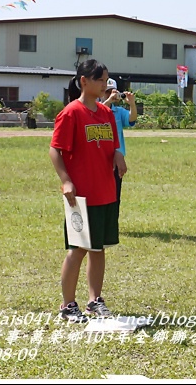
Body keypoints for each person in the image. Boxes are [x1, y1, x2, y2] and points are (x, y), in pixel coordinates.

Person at [49, 59, 127, 323]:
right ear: (84, 81)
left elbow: (113, 144)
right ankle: (68, 305)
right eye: (101, 80)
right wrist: (66, 181)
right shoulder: (71, 113)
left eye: (106, 80)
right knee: (78, 248)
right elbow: (55, 150)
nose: (105, 84)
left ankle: (95, 301)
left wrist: (118, 155)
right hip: (80, 195)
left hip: (105, 191)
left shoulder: (106, 114)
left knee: (98, 248)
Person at [101, 78, 137, 209]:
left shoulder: (119, 111)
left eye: (113, 91)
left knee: (115, 194)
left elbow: (131, 120)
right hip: (100, 157)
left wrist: (132, 104)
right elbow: (98, 113)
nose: (111, 94)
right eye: (107, 92)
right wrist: (109, 100)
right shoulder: (96, 108)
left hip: (117, 159)